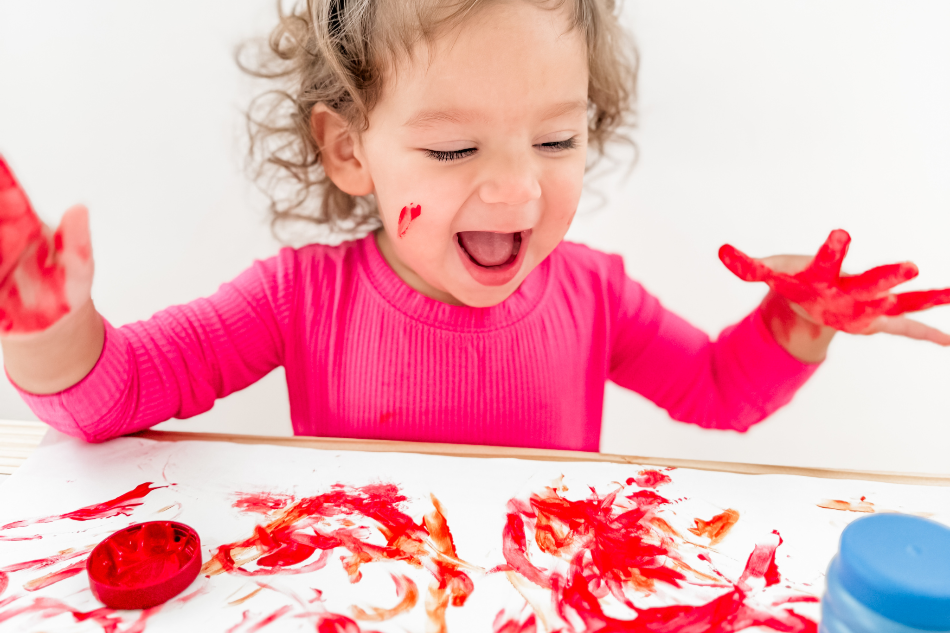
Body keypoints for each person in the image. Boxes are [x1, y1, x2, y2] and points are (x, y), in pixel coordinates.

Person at [1, 0, 948, 448]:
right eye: (455, 149)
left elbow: (718, 392)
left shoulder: (595, 295)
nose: (516, 190)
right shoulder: (298, 300)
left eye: (556, 139)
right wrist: (47, 332)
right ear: (349, 151)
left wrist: (795, 322)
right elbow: (115, 396)